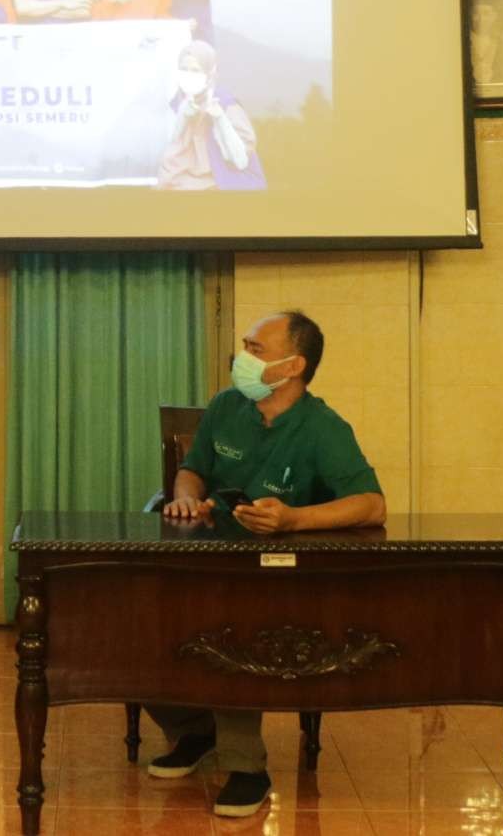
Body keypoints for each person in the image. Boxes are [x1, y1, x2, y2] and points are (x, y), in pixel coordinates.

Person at [149, 310, 383, 817]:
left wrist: (294, 520)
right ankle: (193, 731)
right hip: (215, 555)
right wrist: (186, 498)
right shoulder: (228, 405)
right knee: (145, 616)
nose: (242, 358)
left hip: (285, 570)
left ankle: (246, 766)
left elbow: (371, 503)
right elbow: (193, 470)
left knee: (231, 624)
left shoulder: (324, 427)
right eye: (245, 346)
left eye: (255, 349)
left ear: (292, 365)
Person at [157, 41, 263, 190]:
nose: (189, 75)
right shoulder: (177, 102)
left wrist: (220, 118)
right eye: (184, 69)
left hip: (223, 180)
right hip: (182, 179)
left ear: (209, 73)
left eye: (195, 70)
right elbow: (171, 145)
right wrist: (183, 116)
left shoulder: (225, 104)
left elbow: (240, 159)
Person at [467, 0, 503, 91]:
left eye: (486, 14)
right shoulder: (461, 42)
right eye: (476, 14)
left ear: (495, 16)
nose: (481, 19)